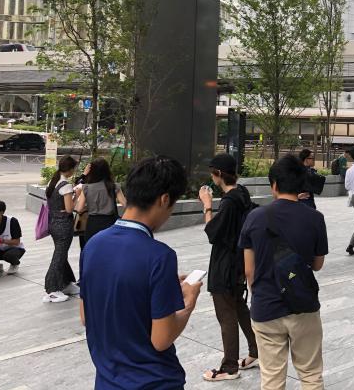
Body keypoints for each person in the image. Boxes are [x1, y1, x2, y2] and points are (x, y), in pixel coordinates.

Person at [79, 155, 202, 390]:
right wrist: (189, 301)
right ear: (164, 199)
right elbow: (161, 339)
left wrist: (164, 286)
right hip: (153, 381)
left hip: (107, 381)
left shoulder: (94, 244)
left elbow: (86, 316)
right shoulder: (159, 255)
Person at [238, 154, 328, 390]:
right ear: (301, 185)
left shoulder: (255, 218)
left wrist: (260, 294)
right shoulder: (315, 218)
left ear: (274, 185)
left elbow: (249, 270)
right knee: (311, 375)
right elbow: (317, 265)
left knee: (272, 380)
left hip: (266, 307)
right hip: (304, 305)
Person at [198, 153, 259, 381]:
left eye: (212, 173)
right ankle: (256, 350)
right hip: (240, 260)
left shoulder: (229, 202)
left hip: (224, 264)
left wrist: (207, 206)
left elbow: (213, 233)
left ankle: (229, 367)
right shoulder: (241, 193)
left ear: (219, 175)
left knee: (226, 315)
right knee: (239, 307)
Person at [43, 155, 79, 303]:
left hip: (53, 223)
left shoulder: (53, 182)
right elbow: (70, 209)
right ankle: (52, 289)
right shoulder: (66, 185)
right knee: (59, 256)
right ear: (70, 169)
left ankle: (66, 283)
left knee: (61, 254)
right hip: (64, 225)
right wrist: (77, 195)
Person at [74, 158, 127, 245]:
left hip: (92, 224)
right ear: (107, 171)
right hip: (110, 223)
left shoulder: (86, 188)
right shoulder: (114, 187)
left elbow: (79, 209)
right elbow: (125, 205)